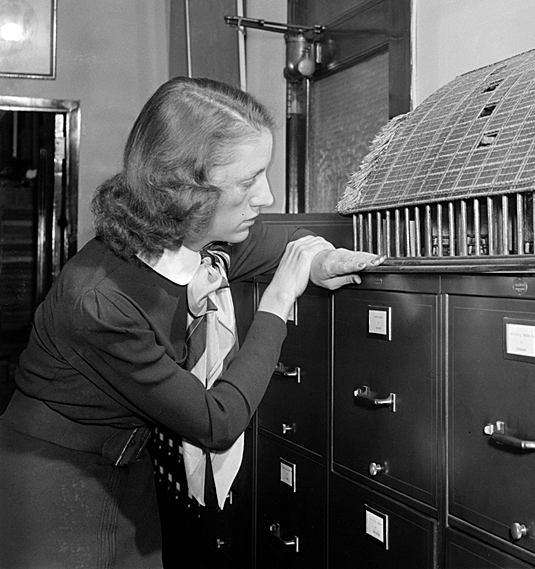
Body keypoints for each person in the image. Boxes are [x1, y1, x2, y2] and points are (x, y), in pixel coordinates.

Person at [0, 77, 383, 568]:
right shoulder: (99, 301)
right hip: (52, 478)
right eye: (248, 181)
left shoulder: (184, 236)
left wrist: (320, 261)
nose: (264, 195)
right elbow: (215, 422)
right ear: (185, 190)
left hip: (124, 467)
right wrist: (277, 303)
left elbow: (279, 245)